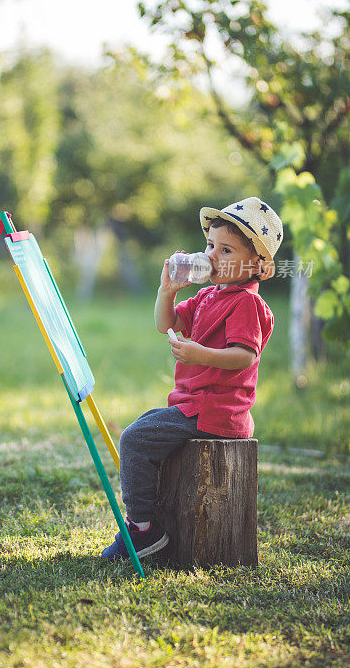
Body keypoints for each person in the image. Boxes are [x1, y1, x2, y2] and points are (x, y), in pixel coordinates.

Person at [102, 196, 283, 561]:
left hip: (217, 411)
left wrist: (201, 355)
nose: (213, 255)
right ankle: (151, 517)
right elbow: (165, 324)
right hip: (192, 404)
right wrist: (165, 292)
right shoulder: (207, 296)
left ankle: (142, 529)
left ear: (258, 268)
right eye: (210, 245)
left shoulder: (247, 304)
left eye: (227, 250)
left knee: (135, 439)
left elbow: (246, 356)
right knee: (142, 426)